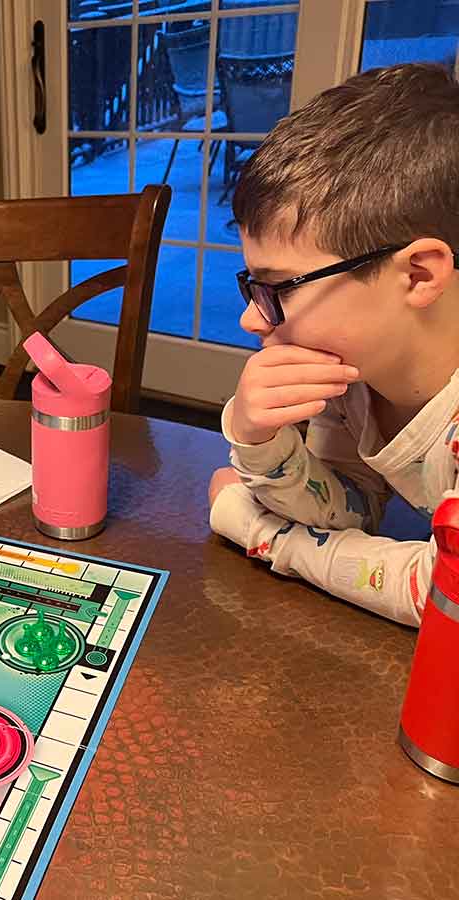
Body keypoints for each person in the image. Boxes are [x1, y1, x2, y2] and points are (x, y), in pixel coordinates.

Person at [208, 64, 459, 627]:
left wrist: (258, 530)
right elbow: (352, 510)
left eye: (280, 287)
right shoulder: (355, 378)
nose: (252, 317)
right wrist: (258, 441)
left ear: (419, 275)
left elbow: (441, 592)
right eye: (254, 286)